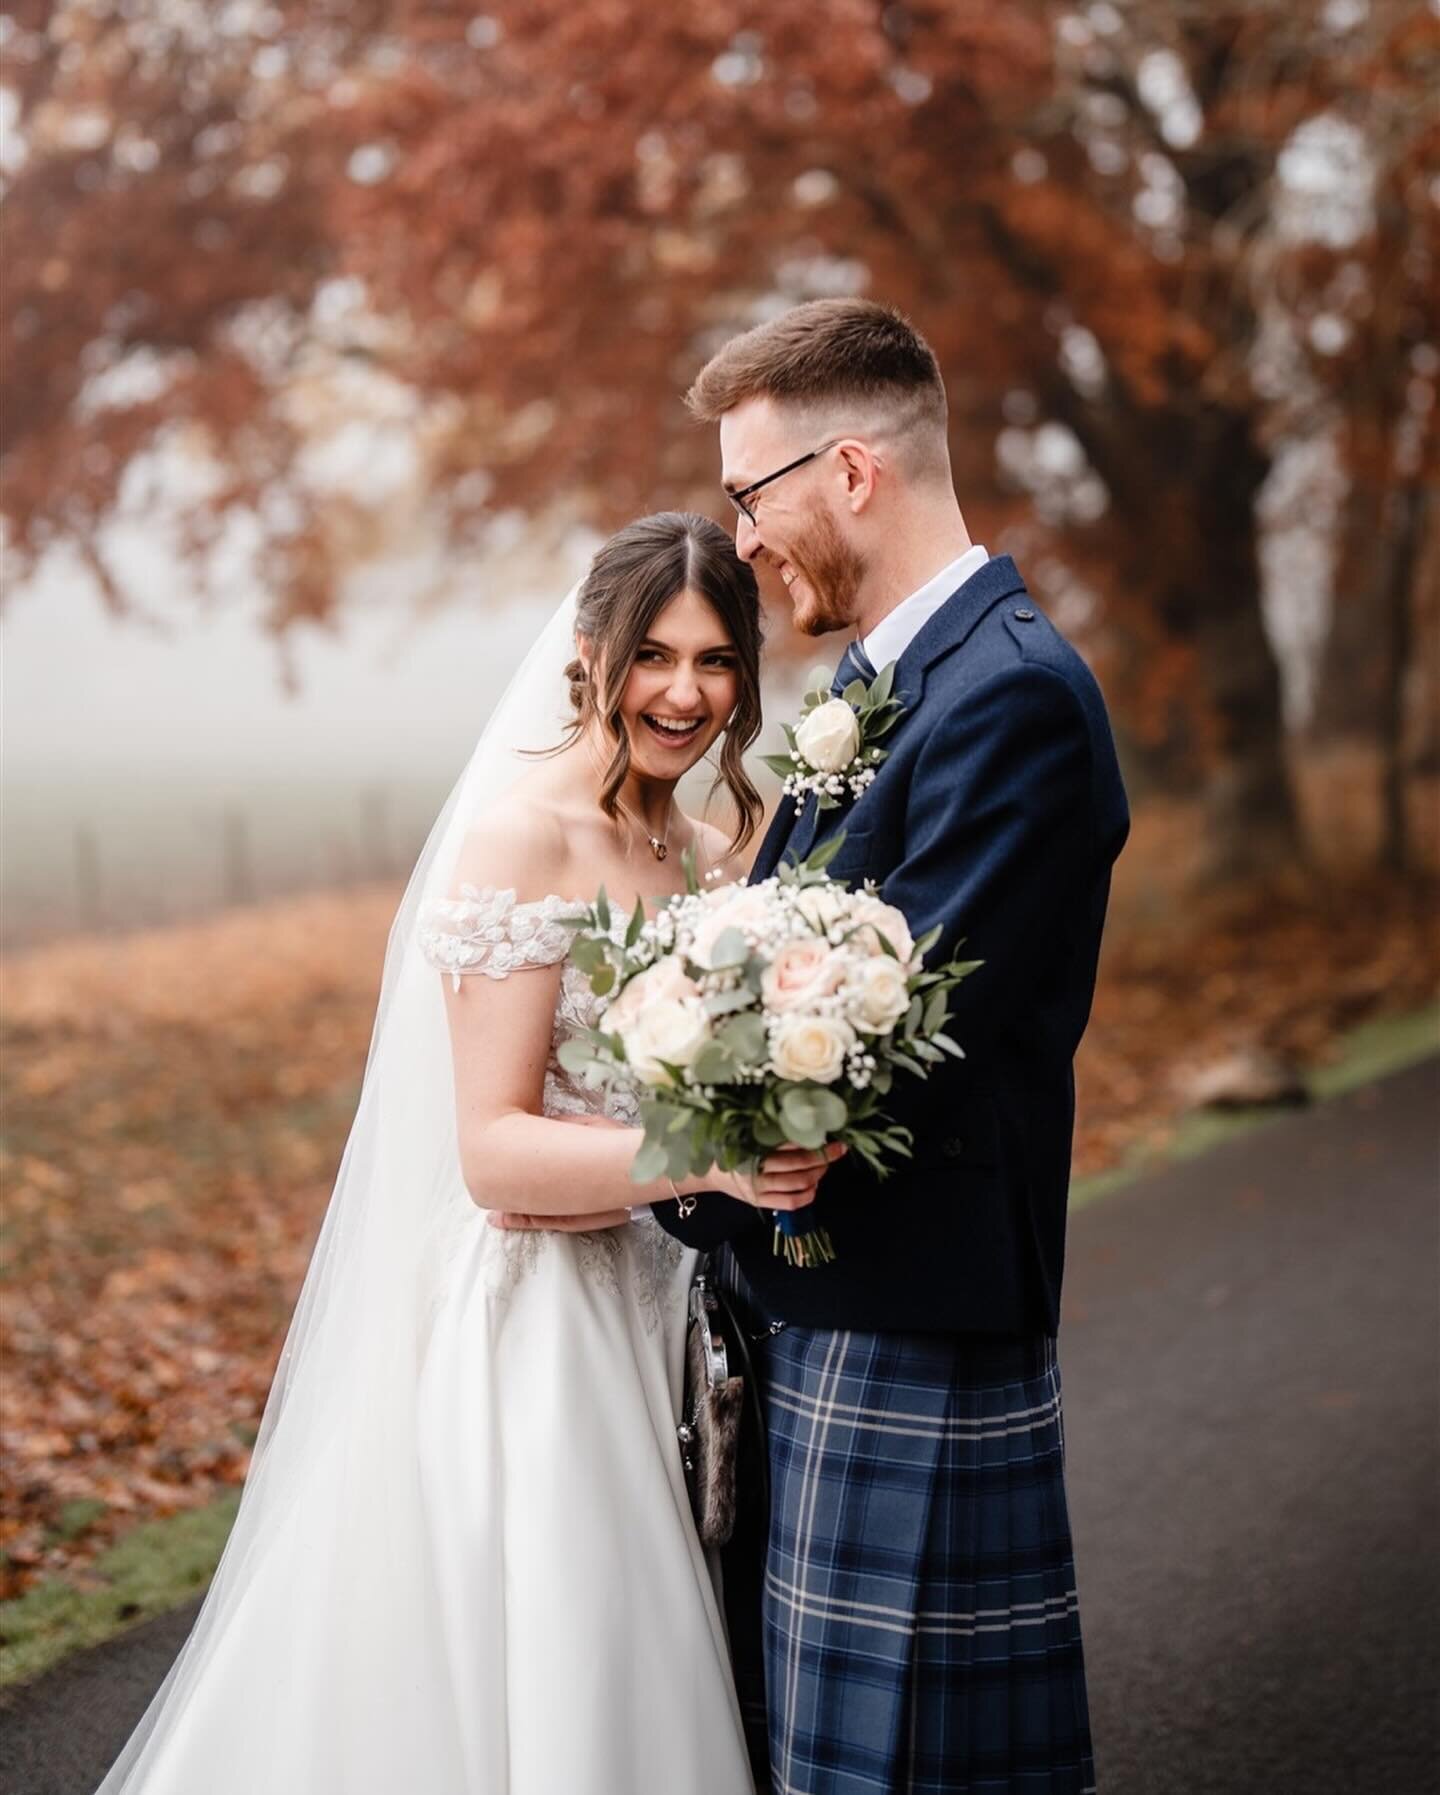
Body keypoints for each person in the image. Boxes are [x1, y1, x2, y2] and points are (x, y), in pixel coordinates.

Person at [94, 513, 833, 1795]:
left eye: (716, 662)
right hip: (545, 1337)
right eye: (652, 654)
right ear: (590, 652)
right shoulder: (521, 840)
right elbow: (493, 1154)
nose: (682, 693)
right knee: (574, 1670)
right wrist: (710, 1158)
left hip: (677, 1312)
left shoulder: (713, 854)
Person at [646, 299, 1130, 1794]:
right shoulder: (880, 684)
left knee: (899, 1773)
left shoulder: (1015, 695)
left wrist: (649, 1124)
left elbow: (874, 1043)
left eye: (752, 494)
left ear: (852, 469)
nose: (742, 540)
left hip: (910, 1322)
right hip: (818, 1305)